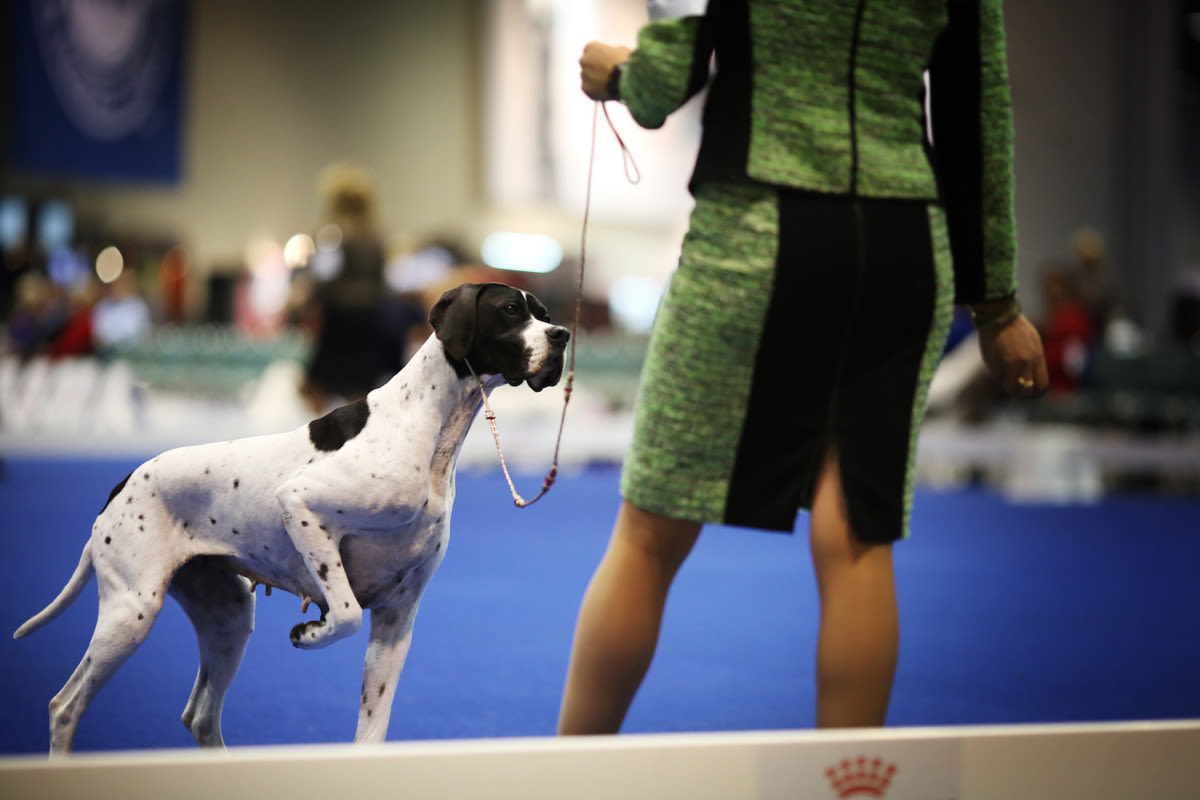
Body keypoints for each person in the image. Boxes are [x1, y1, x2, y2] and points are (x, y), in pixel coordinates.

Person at [558, 0, 1049, 734]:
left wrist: (624, 75)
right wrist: (999, 305)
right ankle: (849, 786)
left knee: (648, 532)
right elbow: (979, 113)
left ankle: (568, 778)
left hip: (756, 227)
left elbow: (687, 60)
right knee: (856, 534)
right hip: (902, 246)